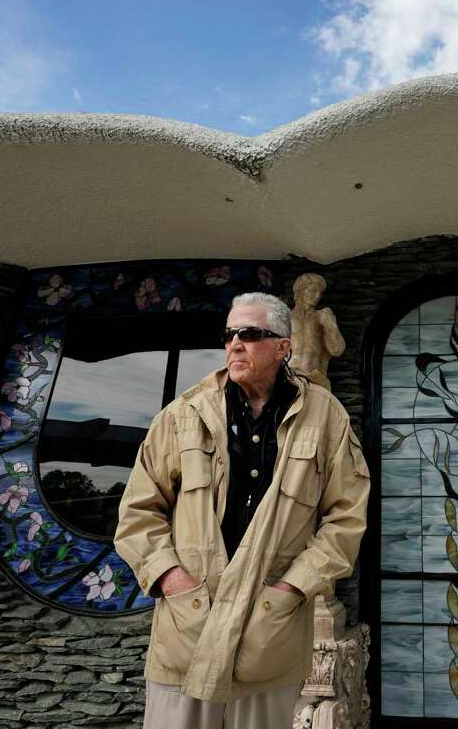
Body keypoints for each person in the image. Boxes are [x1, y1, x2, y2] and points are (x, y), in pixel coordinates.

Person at [114, 292, 371, 728]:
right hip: (188, 630)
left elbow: (346, 516)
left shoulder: (326, 417)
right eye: (229, 334)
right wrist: (173, 581)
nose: (235, 343)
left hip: (268, 635)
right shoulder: (184, 414)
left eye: (250, 334)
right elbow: (138, 512)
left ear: (283, 346)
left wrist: (292, 589)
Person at [288, 273, 345, 390]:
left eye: (320, 292)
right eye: (313, 291)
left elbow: (337, 350)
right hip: (288, 381)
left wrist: (331, 325)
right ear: (300, 290)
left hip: (315, 383)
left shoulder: (322, 317)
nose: (318, 295)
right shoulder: (285, 319)